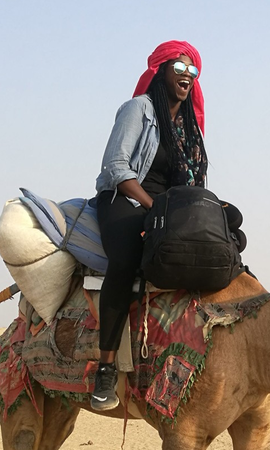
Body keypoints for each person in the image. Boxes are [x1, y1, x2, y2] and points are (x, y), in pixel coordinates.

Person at [91, 41, 214, 411]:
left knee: (222, 240)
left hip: (166, 210)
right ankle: (106, 368)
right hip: (126, 200)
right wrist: (153, 208)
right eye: (181, 67)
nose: (188, 76)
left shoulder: (187, 128)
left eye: (193, 71)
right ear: (161, 70)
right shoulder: (138, 110)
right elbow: (115, 167)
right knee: (126, 258)